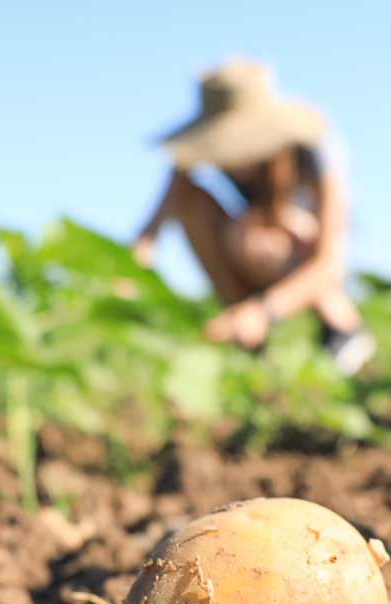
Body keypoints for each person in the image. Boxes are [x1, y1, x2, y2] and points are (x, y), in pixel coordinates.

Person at [132, 58, 374, 374]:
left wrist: (263, 311)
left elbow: (330, 262)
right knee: (199, 208)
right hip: (251, 251)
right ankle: (249, 344)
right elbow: (150, 232)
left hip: (303, 252)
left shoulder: (314, 153)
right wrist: (123, 280)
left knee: (266, 237)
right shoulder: (192, 160)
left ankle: (343, 332)